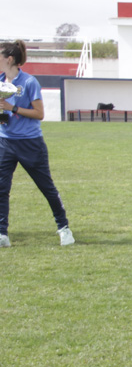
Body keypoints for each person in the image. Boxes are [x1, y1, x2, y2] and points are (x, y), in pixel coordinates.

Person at [0, 40, 73, 248]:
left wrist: (12, 108)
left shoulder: (29, 82)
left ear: (9, 59)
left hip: (30, 144)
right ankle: (2, 233)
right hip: (5, 142)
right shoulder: (0, 80)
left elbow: (39, 114)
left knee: (46, 188)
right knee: (1, 188)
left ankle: (64, 228)